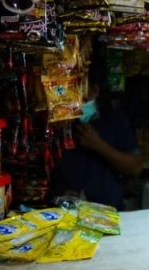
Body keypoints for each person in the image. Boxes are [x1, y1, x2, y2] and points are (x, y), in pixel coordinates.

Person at [51, 69, 142, 210]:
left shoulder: (113, 120)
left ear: (95, 90)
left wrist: (99, 145)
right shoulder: (56, 125)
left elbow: (135, 167)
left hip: (108, 211)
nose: (78, 102)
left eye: (83, 96)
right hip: (63, 210)